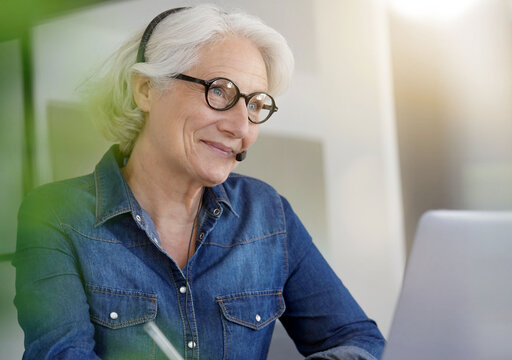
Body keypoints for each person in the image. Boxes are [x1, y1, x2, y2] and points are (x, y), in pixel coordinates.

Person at [13, 4, 385, 360]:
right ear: (146, 89)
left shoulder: (268, 214)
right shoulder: (57, 216)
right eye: (220, 91)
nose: (241, 127)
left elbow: (361, 340)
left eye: (255, 104)